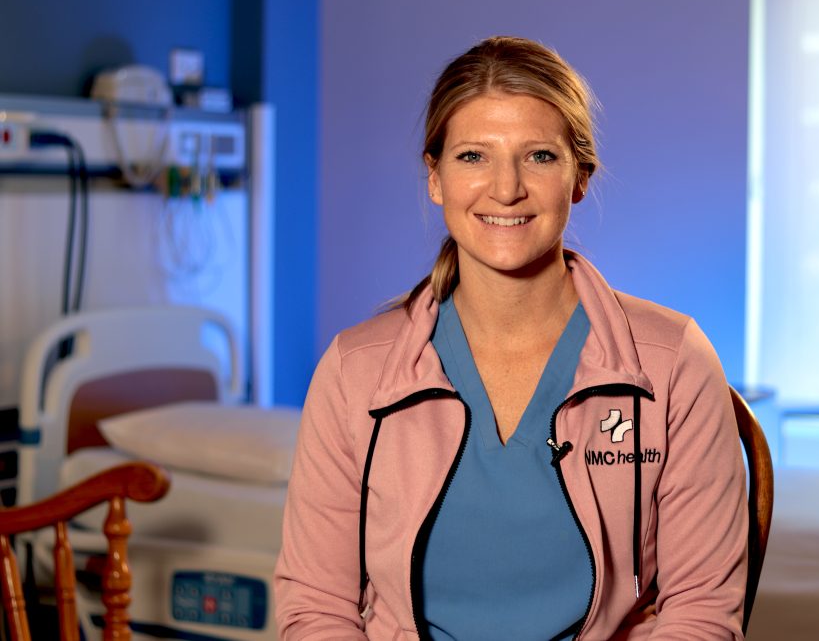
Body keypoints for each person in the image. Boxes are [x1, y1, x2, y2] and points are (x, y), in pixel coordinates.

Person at [275, 36, 748, 640]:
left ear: (579, 177)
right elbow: (316, 608)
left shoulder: (673, 361)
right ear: (435, 177)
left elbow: (702, 613)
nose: (506, 189)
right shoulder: (354, 371)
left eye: (539, 157)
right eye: (473, 156)